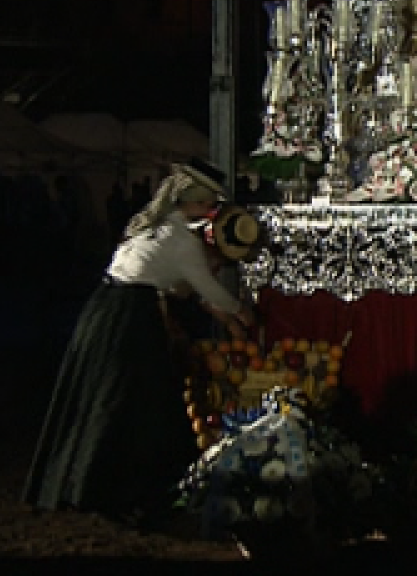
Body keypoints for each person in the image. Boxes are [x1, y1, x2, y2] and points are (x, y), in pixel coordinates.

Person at [24, 160, 256, 526]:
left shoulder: (151, 226)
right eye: (209, 205)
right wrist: (242, 314)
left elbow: (187, 291)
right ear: (195, 205)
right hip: (130, 315)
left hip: (105, 308)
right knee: (132, 401)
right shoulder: (180, 240)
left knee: (106, 397)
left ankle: (93, 484)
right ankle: (125, 489)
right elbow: (209, 291)